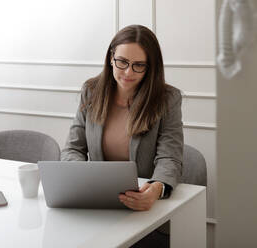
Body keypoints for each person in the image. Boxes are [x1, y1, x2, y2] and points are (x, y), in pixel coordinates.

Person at [61, 24, 183, 211]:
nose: (128, 72)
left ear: (150, 67)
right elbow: (72, 148)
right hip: (96, 198)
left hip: (142, 201)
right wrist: (84, 176)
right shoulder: (91, 91)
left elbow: (169, 157)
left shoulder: (167, 99)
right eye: (122, 62)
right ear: (111, 58)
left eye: (139, 65)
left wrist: (156, 189)